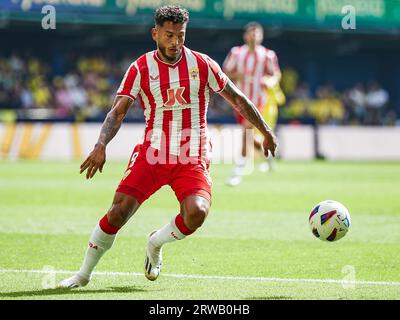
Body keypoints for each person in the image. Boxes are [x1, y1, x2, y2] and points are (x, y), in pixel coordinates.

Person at [59, 5, 277, 288]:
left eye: (181, 35)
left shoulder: (202, 64)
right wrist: (101, 145)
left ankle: (155, 243)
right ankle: (83, 274)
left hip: (192, 154)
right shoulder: (140, 68)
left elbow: (237, 98)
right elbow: (117, 111)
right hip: (153, 153)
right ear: (155, 34)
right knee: (118, 212)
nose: (175, 42)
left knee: (197, 212)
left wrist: (265, 130)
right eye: (169, 35)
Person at [223, 22, 281, 186]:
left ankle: (237, 172)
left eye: (257, 33)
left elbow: (276, 74)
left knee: (246, 131)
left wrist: (270, 80)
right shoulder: (236, 53)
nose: (254, 36)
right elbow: (225, 72)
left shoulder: (268, 55)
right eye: (251, 33)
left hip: (259, 100)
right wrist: (236, 75)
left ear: (261, 36)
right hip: (239, 99)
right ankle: (268, 153)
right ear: (245, 36)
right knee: (250, 134)